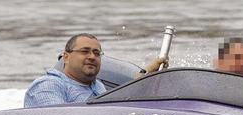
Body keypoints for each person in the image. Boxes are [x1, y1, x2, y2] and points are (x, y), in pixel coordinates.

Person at [24, 33, 166, 108]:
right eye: (85, 51)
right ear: (66, 57)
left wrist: (145, 77)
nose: (92, 56)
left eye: (96, 53)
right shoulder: (48, 85)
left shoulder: (98, 86)